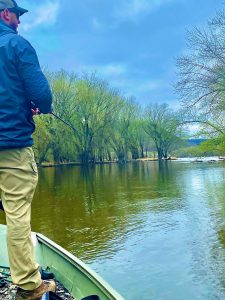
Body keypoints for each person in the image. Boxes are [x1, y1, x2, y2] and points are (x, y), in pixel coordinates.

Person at [0, 0, 56, 298]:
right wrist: (39, 105)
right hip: (11, 145)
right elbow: (42, 94)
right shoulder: (16, 45)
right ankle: (29, 285)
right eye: (16, 15)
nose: (19, 21)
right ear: (4, 13)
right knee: (17, 215)